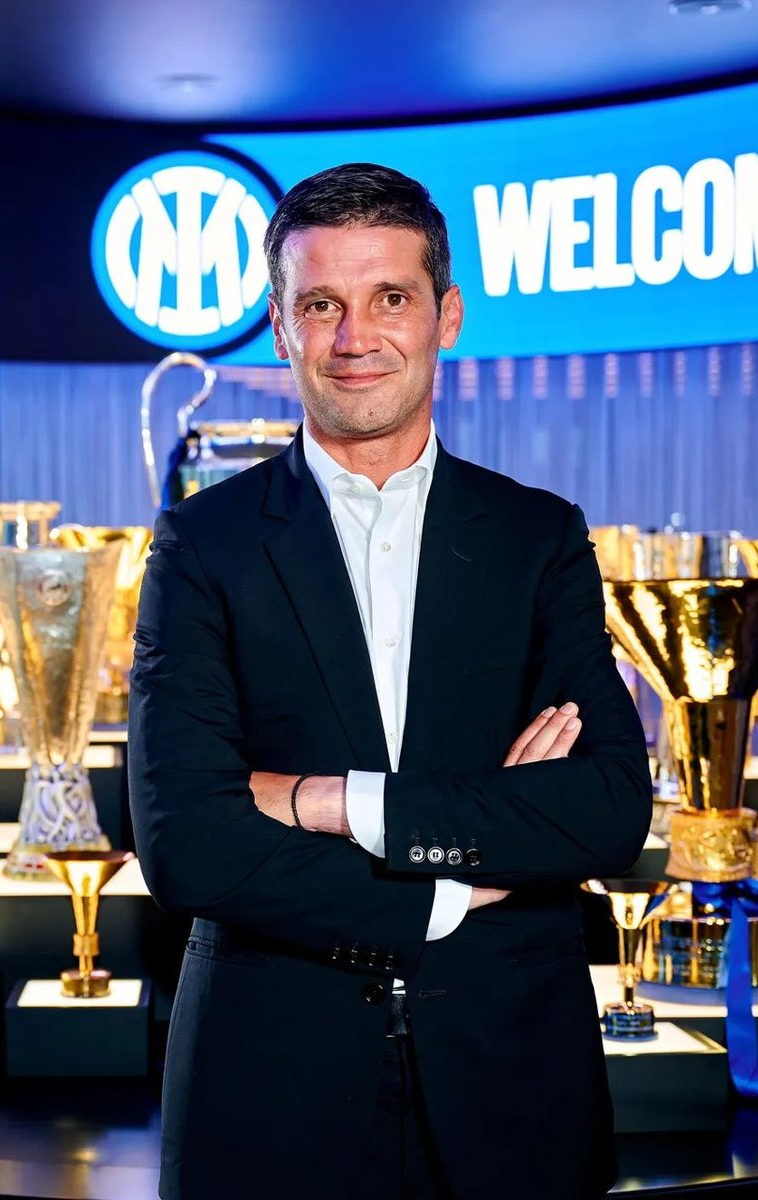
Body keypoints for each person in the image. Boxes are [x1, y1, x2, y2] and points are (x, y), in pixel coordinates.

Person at [130, 162, 651, 1200]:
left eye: (390, 298)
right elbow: (187, 842)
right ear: (280, 327)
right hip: (268, 1087)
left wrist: (331, 801)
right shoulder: (201, 544)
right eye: (321, 304)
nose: (355, 337)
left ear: (445, 316)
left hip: (515, 1082)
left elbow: (602, 814)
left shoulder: (537, 538)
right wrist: (451, 883)